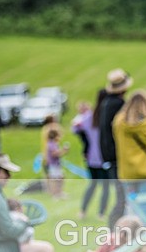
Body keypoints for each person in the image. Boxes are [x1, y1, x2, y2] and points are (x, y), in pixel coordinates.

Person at [113, 89, 146, 198]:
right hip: (145, 169)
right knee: (145, 204)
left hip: (126, 171)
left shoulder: (118, 122)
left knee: (131, 205)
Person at [100, 69, 132, 226]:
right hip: (117, 157)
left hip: (109, 156)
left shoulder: (106, 103)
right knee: (122, 197)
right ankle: (114, 229)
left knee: (122, 196)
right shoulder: (118, 104)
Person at [73, 91, 109, 220]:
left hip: (91, 157)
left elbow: (76, 128)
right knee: (105, 186)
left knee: (93, 184)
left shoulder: (88, 117)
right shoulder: (105, 116)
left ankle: (83, 211)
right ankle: (101, 213)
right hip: (104, 157)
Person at [45, 128, 69, 199]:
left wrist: (63, 152)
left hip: (56, 164)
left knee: (60, 178)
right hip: (53, 165)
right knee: (55, 179)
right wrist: (63, 150)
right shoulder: (51, 144)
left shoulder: (54, 143)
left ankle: (59, 192)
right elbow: (54, 154)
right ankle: (55, 194)